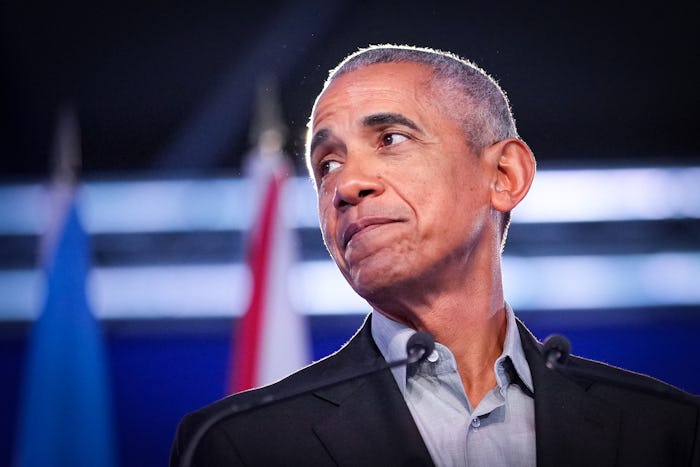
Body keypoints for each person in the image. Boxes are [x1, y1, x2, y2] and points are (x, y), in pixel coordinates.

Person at [170, 44, 700, 466]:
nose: (347, 184)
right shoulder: (239, 444)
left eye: (391, 138)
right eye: (327, 163)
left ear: (503, 176)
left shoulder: (668, 431)